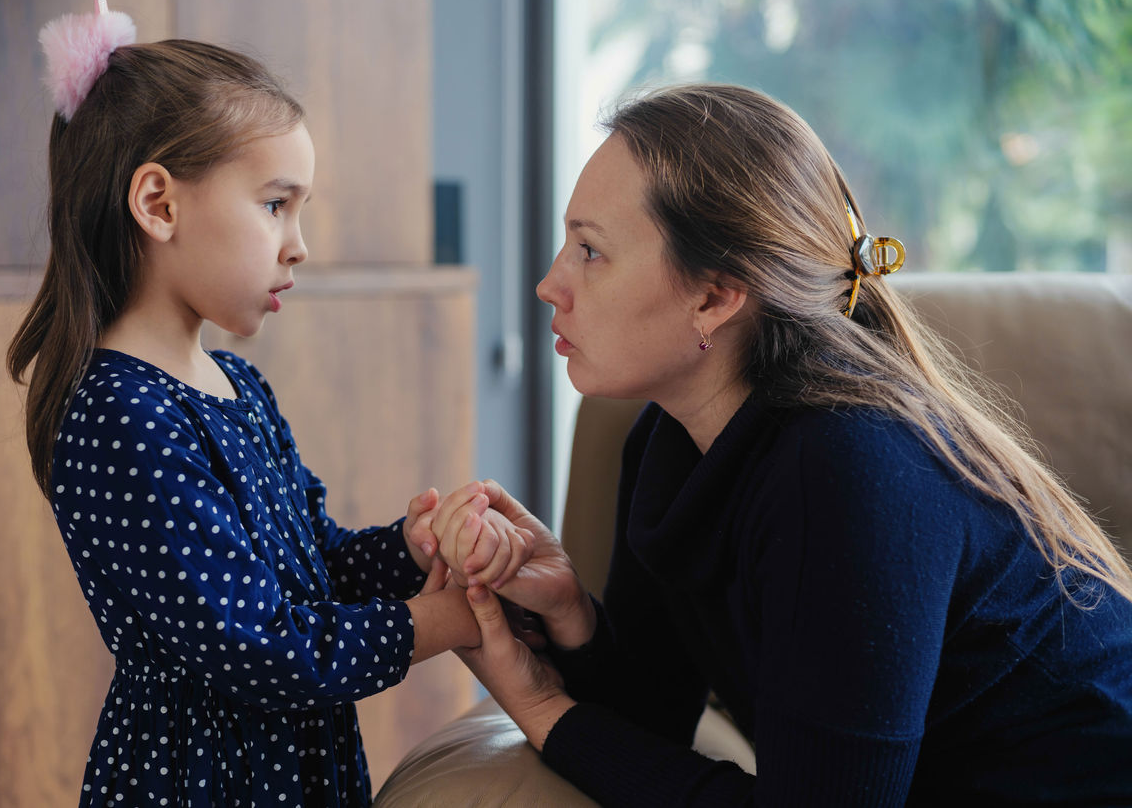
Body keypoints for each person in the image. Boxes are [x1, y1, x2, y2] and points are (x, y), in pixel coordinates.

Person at [415, 84, 1132, 806]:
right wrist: (570, 611)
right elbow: (653, 717)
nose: (549, 284)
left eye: (591, 251)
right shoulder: (669, 439)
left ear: (716, 297)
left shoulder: (850, 469)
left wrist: (544, 713)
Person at [6, 0, 531, 807]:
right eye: (275, 205)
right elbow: (258, 644)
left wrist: (411, 546)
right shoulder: (119, 417)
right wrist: (440, 624)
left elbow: (307, 570)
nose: (300, 245)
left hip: (290, 768)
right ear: (157, 202)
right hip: (203, 781)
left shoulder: (236, 385)